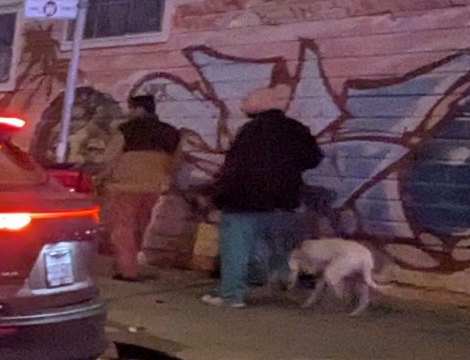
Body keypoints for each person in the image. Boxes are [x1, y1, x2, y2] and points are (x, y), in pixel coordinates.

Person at [204, 85, 321, 308]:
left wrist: (219, 195)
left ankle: (231, 295)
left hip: (244, 201)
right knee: (278, 250)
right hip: (284, 202)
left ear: (261, 103)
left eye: (246, 99)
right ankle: (280, 290)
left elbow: (234, 168)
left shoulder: (250, 131)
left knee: (236, 250)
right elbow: (313, 158)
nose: (242, 105)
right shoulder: (296, 129)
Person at [103, 92, 181, 281]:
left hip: (125, 187)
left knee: (122, 229)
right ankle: (128, 262)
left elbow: (110, 158)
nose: (128, 113)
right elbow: (176, 163)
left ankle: (127, 270)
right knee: (140, 226)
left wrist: (101, 178)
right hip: (154, 188)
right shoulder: (171, 132)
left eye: (131, 108)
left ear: (139, 109)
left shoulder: (126, 130)